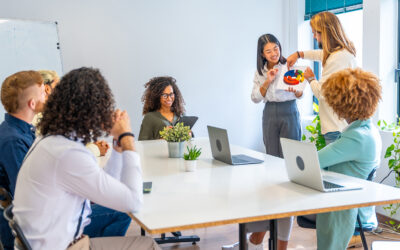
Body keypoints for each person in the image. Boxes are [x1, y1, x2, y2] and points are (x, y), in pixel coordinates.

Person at [12, 67, 160, 250]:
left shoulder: (52, 140)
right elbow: (133, 202)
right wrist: (128, 138)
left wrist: (118, 148)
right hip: (62, 246)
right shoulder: (66, 154)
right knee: (148, 245)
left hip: (53, 242)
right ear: (92, 111)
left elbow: (103, 184)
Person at [223, 34, 302, 250]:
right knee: (272, 170)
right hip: (270, 114)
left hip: (289, 112)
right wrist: (268, 79)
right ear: (262, 54)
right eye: (269, 51)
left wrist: (298, 91)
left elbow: (301, 91)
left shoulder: (290, 64)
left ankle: (273, 238)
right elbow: (255, 98)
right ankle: (257, 238)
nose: (274, 53)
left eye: (276, 48)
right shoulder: (259, 72)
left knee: (289, 170)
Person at [315, 68, 382, 250]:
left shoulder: (357, 137)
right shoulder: (368, 130)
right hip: (350, 197)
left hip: (344, 203)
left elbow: (316, 160)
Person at [287, 11, 357, 145]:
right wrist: (299, 54)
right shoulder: (340, 53)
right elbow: (319, 54)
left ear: (325, 33)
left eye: (315, 33)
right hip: (338, 126)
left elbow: (321, 93)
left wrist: (311, 78)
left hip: (336, 128)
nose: (314, 37)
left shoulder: (337, 59)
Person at [0, 71, 45, 250]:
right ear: (32, 103)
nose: (47, 96)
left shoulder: (21, 130)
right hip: (28, 231)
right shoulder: (14, 140)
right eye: (43, 93)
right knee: (118, 213)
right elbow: (27, 197)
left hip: (34, 218)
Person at [138, 76, 185, 140]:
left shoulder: (180, 114)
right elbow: (142, 143)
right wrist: (162, 138)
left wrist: (190, 135)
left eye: (171, 94)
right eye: (165, 95)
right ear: (157, 96)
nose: (169, 98)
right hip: (159, 150)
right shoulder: (150, 118)